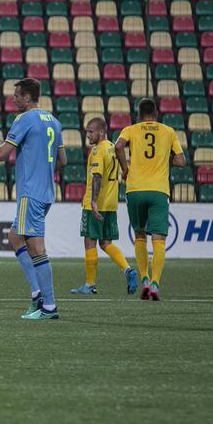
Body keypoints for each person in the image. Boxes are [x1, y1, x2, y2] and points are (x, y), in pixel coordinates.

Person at [0, 78, 66, 320]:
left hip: (30, 192)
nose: (13, 99)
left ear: (27, 97)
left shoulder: (23, 119)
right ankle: (37, 294)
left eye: (16, 95)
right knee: (15, 237)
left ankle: (49, 306)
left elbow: (2, 155)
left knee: (36, 247)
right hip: (46, 191)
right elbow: (62, 160)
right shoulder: (54, 121)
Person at [115, 98, 186, 300]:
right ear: (155, 113)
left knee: (139, 235)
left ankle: (144, 278)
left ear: (139, 114)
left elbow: (118, 147)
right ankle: (155, 283)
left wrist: (125, 169)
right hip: (158, 191)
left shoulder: (130, 129)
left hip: (135, 189)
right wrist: (166, 159)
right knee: (159, 239)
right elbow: (181, 161)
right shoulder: (168, 131)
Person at [70, 117, 138, 295]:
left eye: (90, 131)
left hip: (96, 204)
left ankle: (90, 284)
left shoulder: (97, 150)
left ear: (101, 132)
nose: (88, 135)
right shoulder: (112, 148)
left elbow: (97, 177)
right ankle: (128, 270)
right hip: (111, 203)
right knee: (106, 242)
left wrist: (93, 201)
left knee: (89, 241)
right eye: (87, 131)